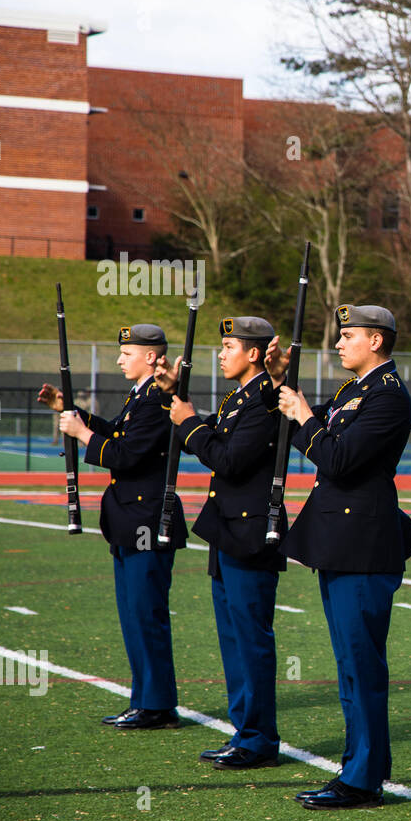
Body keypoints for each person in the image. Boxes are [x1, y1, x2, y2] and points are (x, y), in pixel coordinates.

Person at [276, 304, 411, 809]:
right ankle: (360, 767)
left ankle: (362, 779)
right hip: (340, 544)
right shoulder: (353, 392)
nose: (338, 344)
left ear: (377, 341)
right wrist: (282, 385)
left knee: (361, 666)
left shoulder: (388, 397)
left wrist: (303, 416)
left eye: (348, 335)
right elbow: (320, 432)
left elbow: (337, 458)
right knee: (349, 666)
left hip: (363, 548)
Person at [38, 324, 186, 730]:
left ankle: (157, 705)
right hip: (128, 521)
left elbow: (126, 453)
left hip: (147, 521)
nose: (120, 359)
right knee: (133, 615)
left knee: (146, 614)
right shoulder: (140, 396)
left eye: (128, 353)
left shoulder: (158, 399)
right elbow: (117, 432)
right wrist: (70, 411)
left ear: (152, 358)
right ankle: (145, 699)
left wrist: (81, 433)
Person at [154, 317, 284, 771]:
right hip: (228, 531)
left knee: (250, 638)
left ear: (253, 354)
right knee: (233, 638)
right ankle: (244, 731)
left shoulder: (264, 400)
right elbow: (208, 432)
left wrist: (189, 421)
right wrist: (177, 398)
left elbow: (228, 459)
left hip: (250, 534)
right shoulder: (240, 398)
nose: (221, 354)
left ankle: (260, 738)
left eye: (229, 346)